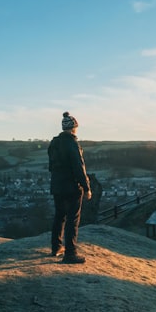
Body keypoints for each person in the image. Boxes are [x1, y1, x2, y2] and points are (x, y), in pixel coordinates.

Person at [48, 111, 91, 263]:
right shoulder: (72, 143)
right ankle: (71, 253)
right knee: (73, 218)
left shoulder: (54, 143)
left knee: (59, 216)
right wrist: (86, 188)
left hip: (57, 185)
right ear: (74, 128)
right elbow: (79, 167)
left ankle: (56, 247)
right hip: (72, 186)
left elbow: (51, 165)